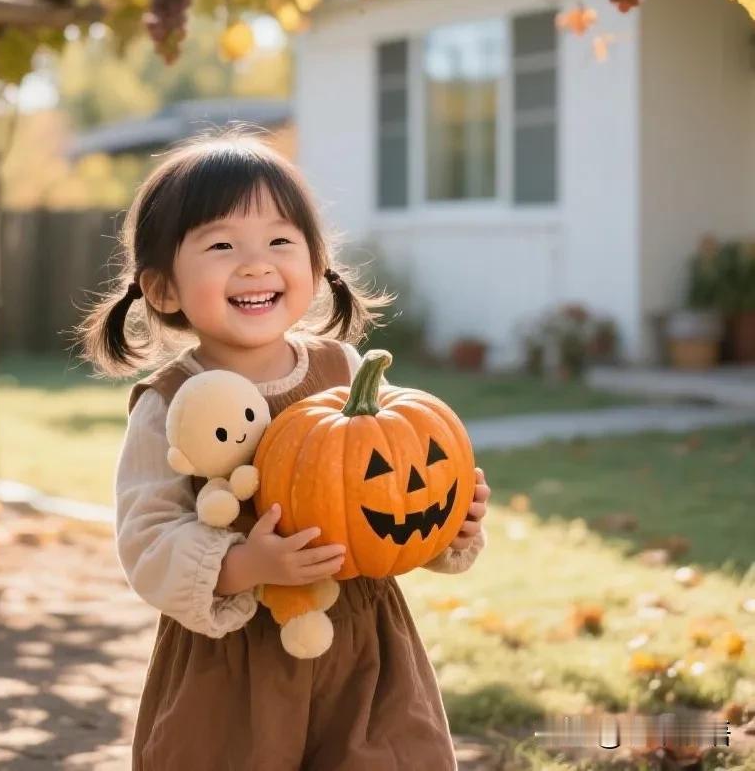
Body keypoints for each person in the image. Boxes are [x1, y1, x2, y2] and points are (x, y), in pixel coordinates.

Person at [76, 127, 491, 771]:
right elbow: (147, 539)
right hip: (235, 669)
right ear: (162, 289)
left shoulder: (345, 370)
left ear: (316, 265)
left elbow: (390, 486)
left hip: (363, 650)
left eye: (279, 241)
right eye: (222, 245)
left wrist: (450, 524)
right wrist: (245, 564)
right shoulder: (169, 402)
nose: (256, 264)